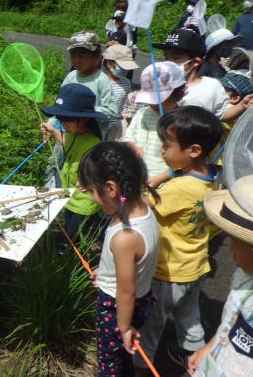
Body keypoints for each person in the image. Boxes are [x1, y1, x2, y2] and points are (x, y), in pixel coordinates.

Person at [133, 106, 223, 375]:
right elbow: (185, 177)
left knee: (152, 323)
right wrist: (163, 175)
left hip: (167, 272)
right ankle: (197, 358)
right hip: (195, 266)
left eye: (167, 145)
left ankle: (140, 368)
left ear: (193, 150)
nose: (162, 151)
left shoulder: (178, 189)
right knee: (189, 316)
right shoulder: (212, 178)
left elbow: (142, 207)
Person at [78, 141, 160, 377]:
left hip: (117, 309)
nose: (92, 197)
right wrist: (105, 273)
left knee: (109, 363)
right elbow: (133, 267)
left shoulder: (125, 236)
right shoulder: (143, 208)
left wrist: (123, 327)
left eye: (92, 191)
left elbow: (126, 291)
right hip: (142, 300)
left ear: (111, 188)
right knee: (124, 355)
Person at [188, 174, 253, 376]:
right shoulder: (243, 273)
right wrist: (209, 348)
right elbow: (230, 322)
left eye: (237, 243)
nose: (230, 249)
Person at [40, 84, 107, 254]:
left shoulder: (93, 144)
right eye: (60, 119)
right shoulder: (72, 134)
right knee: (66, 232)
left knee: (72, 239)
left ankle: (68, 264)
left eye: (68, 119)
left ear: (84, 119)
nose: (64, 124)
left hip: (84, 203)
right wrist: (54, 131)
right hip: (70, 197)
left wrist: (90, 180)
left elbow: (102, 171)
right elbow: (65, 141)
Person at [153, 28, 253, 122]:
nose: (168, 62)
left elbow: (222, 113)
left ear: (195, 62)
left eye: (175, 58)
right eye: (166, 58)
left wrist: (241, 106)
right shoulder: (161, 84)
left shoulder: (212, 85)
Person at [122, 61, 186, 182]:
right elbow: (128, 138)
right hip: (132, 176)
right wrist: (132, 146)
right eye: (150, 98)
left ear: (180, 94)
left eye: (160, 99)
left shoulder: (184, 122)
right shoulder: (142, 113)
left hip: (162, 182)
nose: (153, 103)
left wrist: (158, 179)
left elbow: (184, 162)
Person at [60, 31, 118, 134]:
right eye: (73, 55)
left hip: (91, 138)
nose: (77, 60)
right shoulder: (71, 76)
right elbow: (60, 104)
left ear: (96, 56)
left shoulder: (101, 80)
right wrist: (51, 123)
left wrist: (86, 110)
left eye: (82, 56)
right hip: (67, 135)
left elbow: (112, 112)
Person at [100, 44, 139, 140]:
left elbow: (126, 104)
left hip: (117, 125)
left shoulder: (126, 82)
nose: (126, 71)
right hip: (100, 123)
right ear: (110, 64)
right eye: (123, 67)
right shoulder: (100, 80)